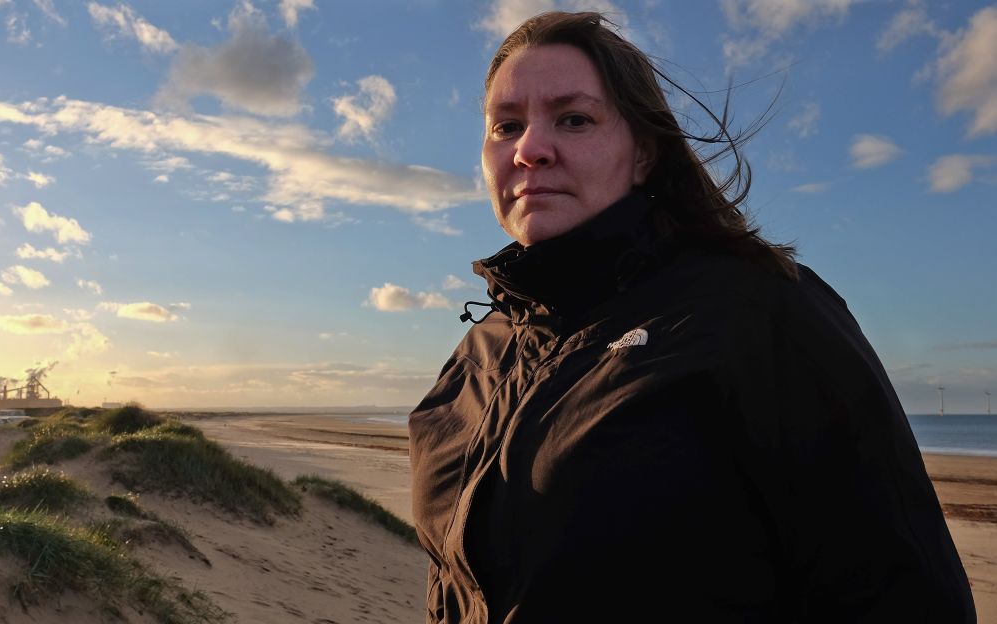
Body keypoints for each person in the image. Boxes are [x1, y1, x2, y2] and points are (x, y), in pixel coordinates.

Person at [408, 11, 975, 624]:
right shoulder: (482, 348)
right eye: (506, 126)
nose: (531, 149)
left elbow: (905, 595)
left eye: (574, 119)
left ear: (644, 153)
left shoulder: (759, 311)